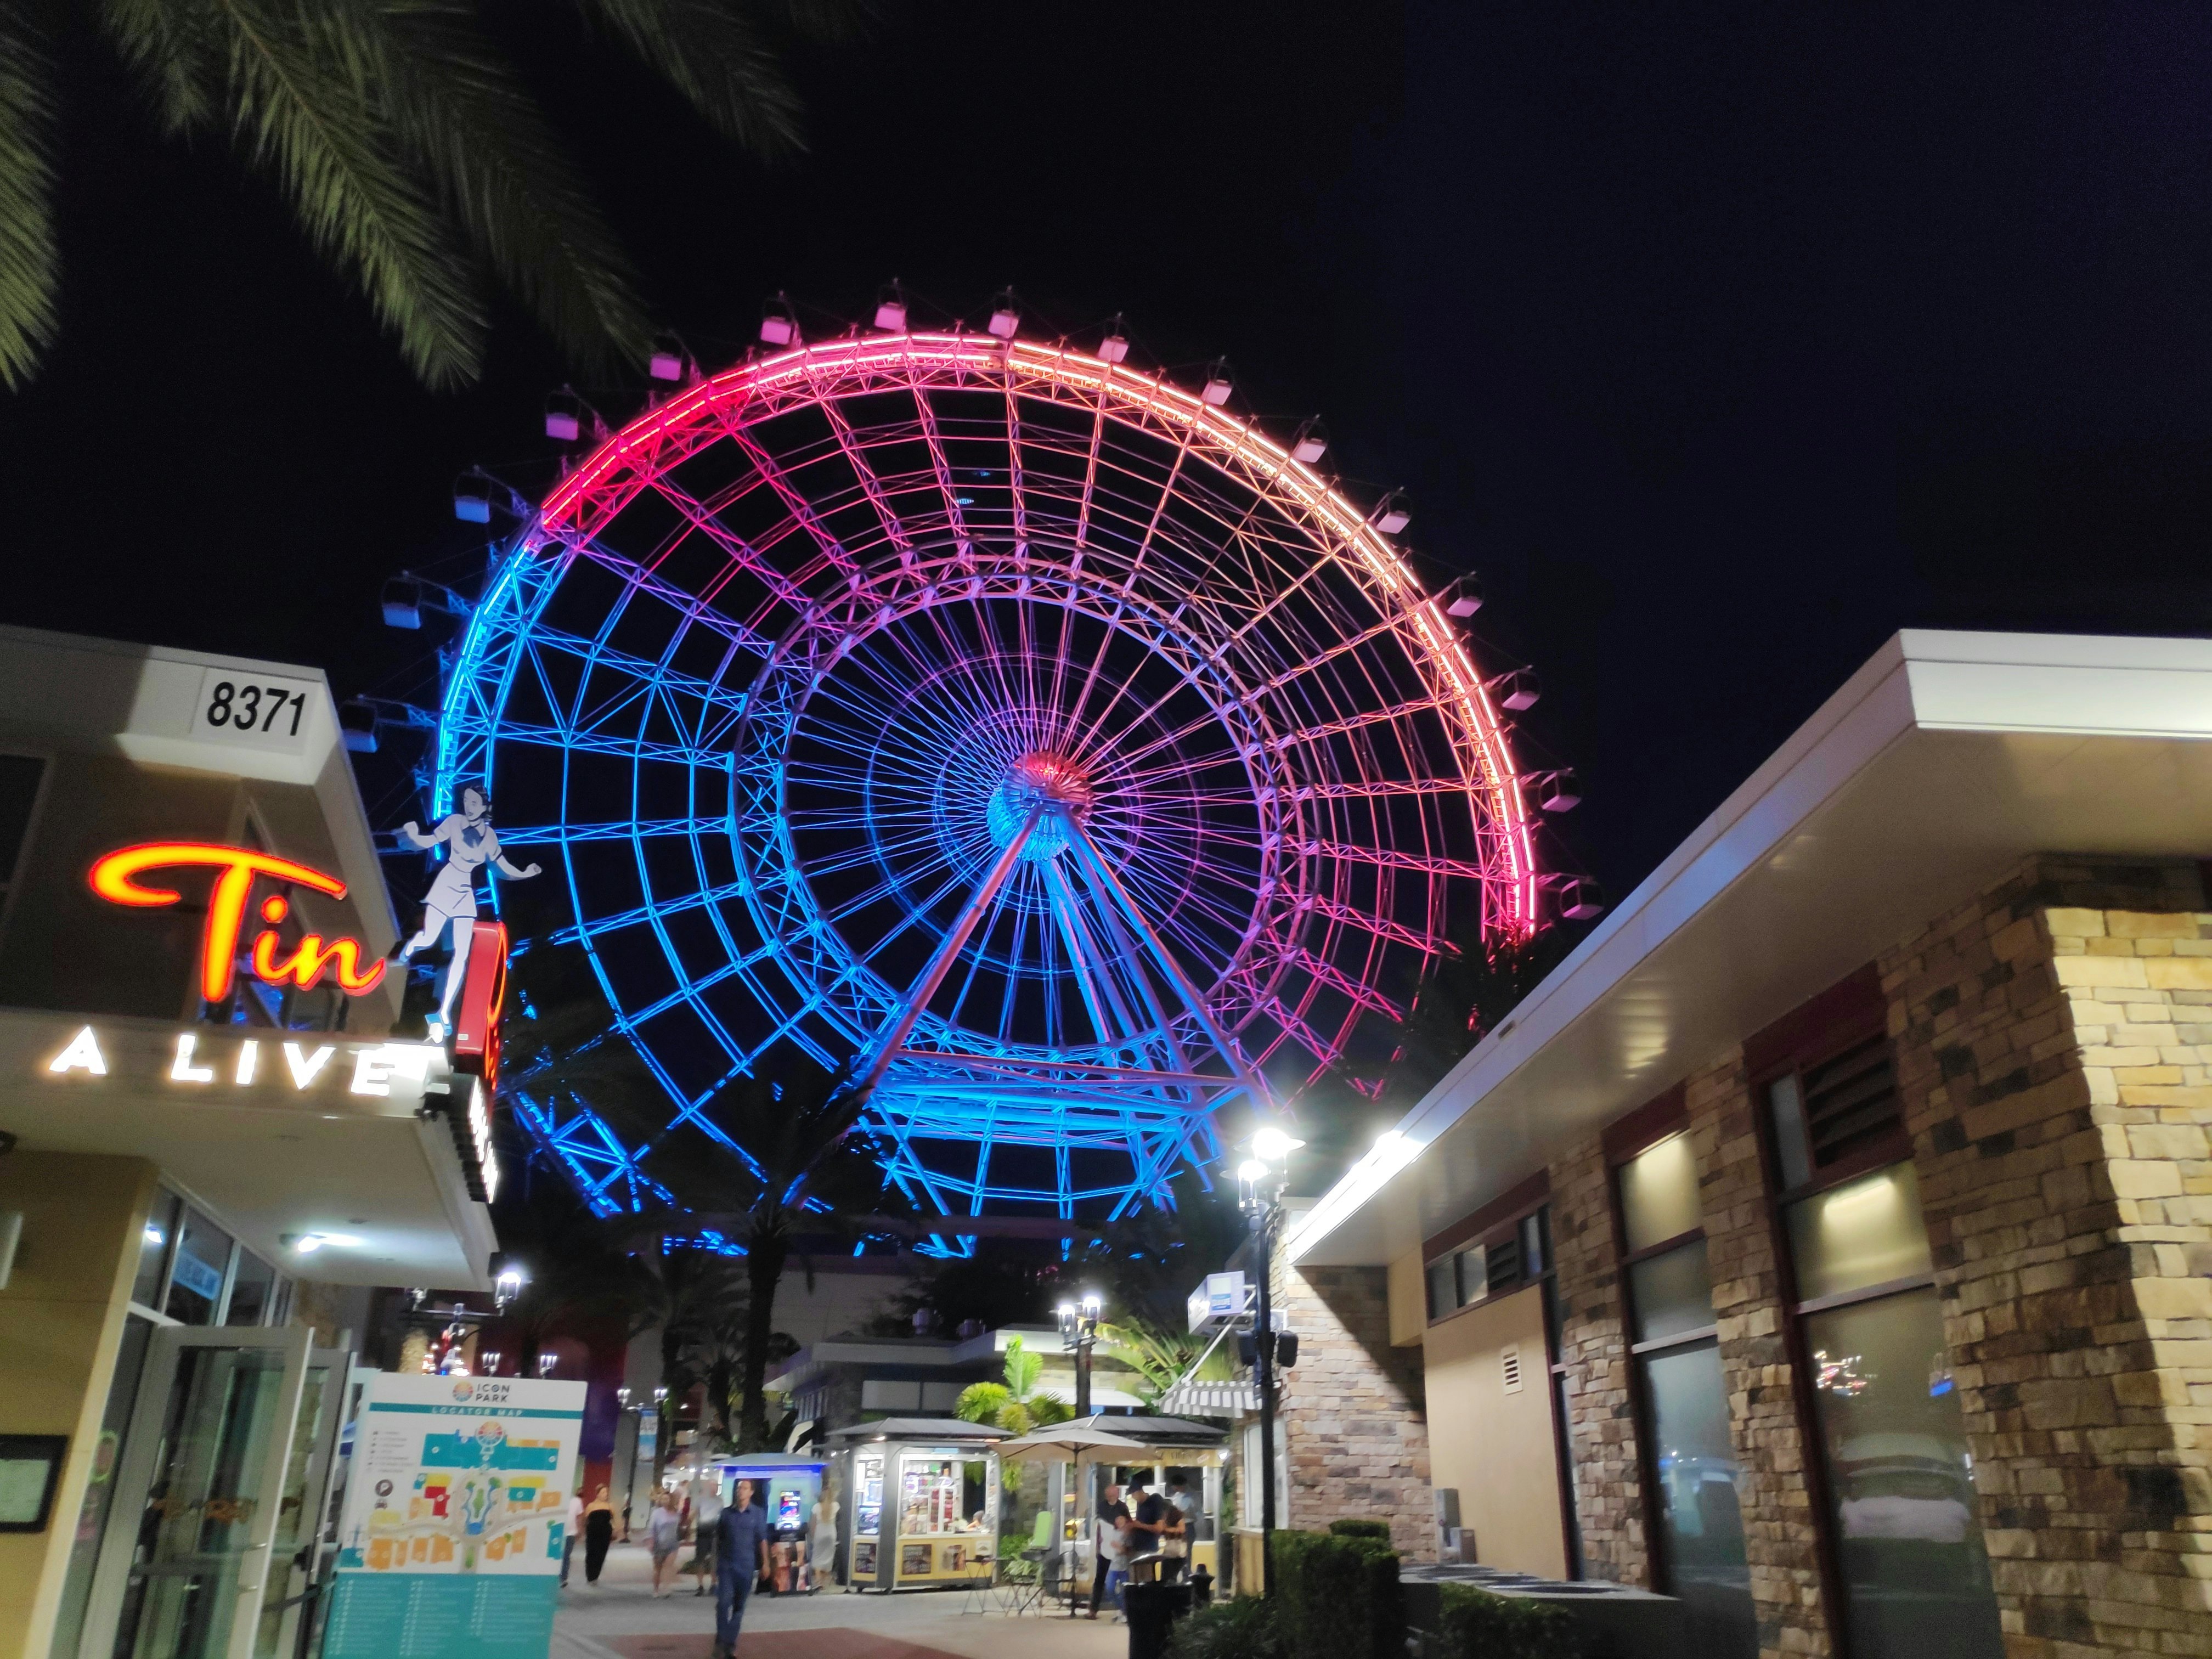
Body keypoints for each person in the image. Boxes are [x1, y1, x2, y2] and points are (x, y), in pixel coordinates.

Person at [390, 786, 541, 1040]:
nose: (470, 805)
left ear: (484, 807)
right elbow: (430, 840)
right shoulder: (455, 822)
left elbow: (501, 866)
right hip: (446, 883)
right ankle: (405, 953)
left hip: (465, 891)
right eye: (467, 801)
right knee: (428, 938)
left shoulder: (490, 837)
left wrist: (525, 873)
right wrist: (413, 837)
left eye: (474, 802)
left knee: (460, 955)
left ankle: (444, 1012)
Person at [714, 1478, 771, 1659]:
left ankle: (728, 1644)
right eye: (739, 1488)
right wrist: (714, 1564)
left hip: (746, 1566)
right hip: (727, 1566)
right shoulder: (726, 1514)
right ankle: (723, 1640)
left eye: (744, 1488)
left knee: (739, 1606)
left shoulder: (757, 1514)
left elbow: (762, 1540)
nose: (741, 1491)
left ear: (751, 1492)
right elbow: (719, 1539)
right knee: (723, 1604)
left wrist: (766, 1563)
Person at [1088, 1483, 1131, 1620]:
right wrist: (1097, 1546)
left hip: (1118, 1547)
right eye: (1108, 1494)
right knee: (1100, 1578)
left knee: (1120, 1580)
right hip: (1105, 1546)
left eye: (1111, 1494)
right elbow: (1099, 1526)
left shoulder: (1122, 1507)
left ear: (1116, 1494)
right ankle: (1093, 1609)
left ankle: (1124, 1609)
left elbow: (1128, 1524)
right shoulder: (1101, 1506)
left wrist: (1124, 1543)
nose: (1109, 1496)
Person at [649, 1491, 685, 1596]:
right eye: (663, 1499)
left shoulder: (676, 1513)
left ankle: (667, 1588)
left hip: (673, 1544)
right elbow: (652, 1528)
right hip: (659, 1543)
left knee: (669, 1566)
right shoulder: (657, 1513)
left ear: (671, 1500)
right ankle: (656, 1589)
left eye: (667, 1499)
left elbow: (679, 1526)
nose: (665, 1501)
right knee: (658, 1568)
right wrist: (651, 1540)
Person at [693, 1479, 724, 1596]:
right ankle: (700, 1585)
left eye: (716, 1486)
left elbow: (721, 1516)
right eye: (712, 1486)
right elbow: (695, 1512)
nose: (714, 1488)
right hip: (702, 1531)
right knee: (700, 1559)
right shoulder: (701, 1499)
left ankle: (713, 1584)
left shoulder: (719, 1501)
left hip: (715, 1532)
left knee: (714, 1559)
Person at [583, 1485, 616, 1585]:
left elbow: (615, 1519)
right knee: (591, 1554)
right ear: (597, 1494)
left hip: (605, 1534)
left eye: (606, 1492)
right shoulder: (591, 1506)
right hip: (592, 1533)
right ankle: (590, 1576)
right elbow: (586, 1520)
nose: (606, 1494)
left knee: (601, 1555)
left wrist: (615, 1530)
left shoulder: (610, 1506)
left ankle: (595, 1576)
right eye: (603, 1492)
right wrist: (584, 1531)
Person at [561, 1489, 583, 1588]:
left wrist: (579, 1530)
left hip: (570, 1533)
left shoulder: (577, 1501)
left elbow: (579, 1517)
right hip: (556, 1533)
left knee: (566, 1556)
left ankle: (563, 1578)